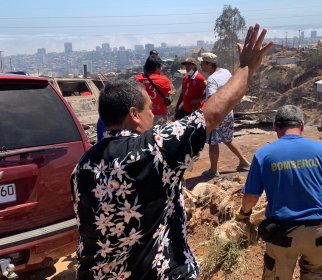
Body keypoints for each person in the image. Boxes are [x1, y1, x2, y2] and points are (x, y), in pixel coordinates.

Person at [70, 24, 273, 279]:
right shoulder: (151, 149)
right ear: (134, 115)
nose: (153, 115)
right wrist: (246, 67)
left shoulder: (82, 166)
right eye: (148, 110)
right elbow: (211, 114)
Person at [238, 105, 322, 280]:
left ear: (275, 127)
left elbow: (251, 197)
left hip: (282, 235)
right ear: (302, 125)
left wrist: (244, 214)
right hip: (320, 233)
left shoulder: (264, 154)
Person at [199, 52, 251, 177]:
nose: (200, 65)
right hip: (228, 111)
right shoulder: (226, 72)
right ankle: (244, 162)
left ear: (208, 64)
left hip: (216, 114)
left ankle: (213, 170)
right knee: (228, 138)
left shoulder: (211, 80)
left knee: (213, 141)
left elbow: (212, 98)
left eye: (202, 63)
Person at [135, 57, 172, 125]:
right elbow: (168, 93)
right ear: (157, 67)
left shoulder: (137, 79)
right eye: (160, 67)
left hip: (143, 117)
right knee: (159, 134)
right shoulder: (164, 80)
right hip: (160, 116)